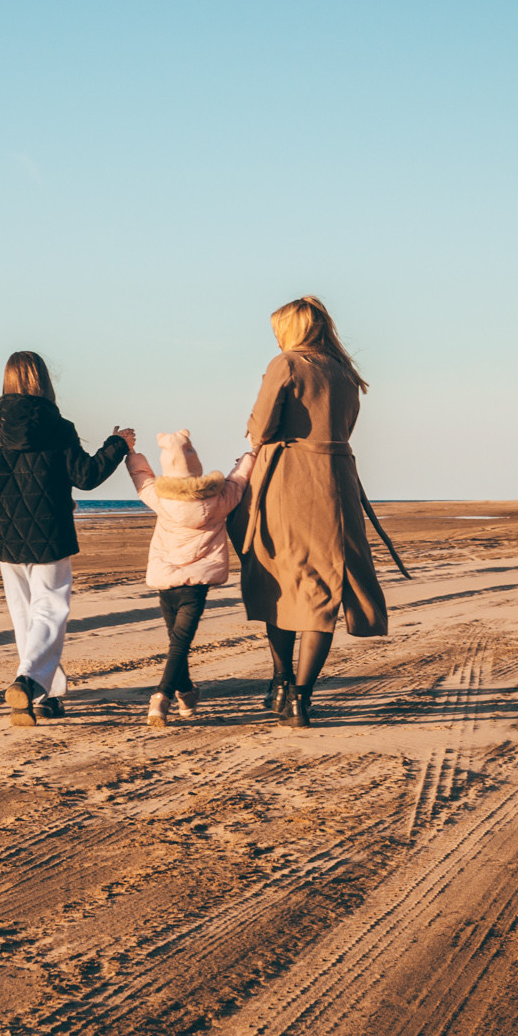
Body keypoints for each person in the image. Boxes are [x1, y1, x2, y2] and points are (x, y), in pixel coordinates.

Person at [0, 351, 130, 726]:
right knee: (50, 610)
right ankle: (28, 680)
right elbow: (87, 476)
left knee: (24, 614)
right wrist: (117, 444)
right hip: (50, 533)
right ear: (44, 381)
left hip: (5, 536)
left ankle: (45, 695)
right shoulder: (59, 428)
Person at [236, 296, 388, 728]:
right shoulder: (345, 372)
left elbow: (260, 429)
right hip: (337, 483)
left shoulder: (286, 364)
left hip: (288, 479)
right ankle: (301, 698)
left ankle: (281, 681)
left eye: (278, 331)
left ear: (293, 330)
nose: (276, 339)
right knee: (323, 588)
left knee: (280, 582)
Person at [122, 429, 254, 727]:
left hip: (166, 580)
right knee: (179, 643)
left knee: (177, 641)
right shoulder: (219, 498)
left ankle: (175, 694)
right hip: (196, 584)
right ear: (196, 462)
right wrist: (251, 453)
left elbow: (142, 477)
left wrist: (131, 453)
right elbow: (239, 479)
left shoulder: (160, 497)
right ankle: (171, 694)